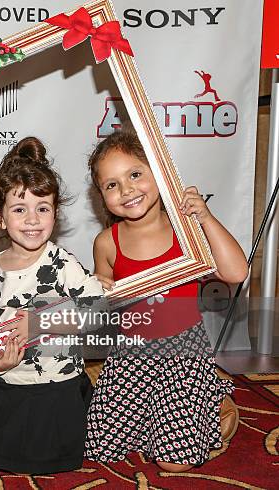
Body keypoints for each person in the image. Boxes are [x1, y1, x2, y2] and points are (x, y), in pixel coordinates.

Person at [84, 130, 248, 472]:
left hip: (183, 355)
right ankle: (168, 414)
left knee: (175, 464)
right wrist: (96, 293)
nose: (126, 189)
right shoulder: (106, 243)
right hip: (129, 355)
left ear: (159, 174)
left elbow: (235, 272)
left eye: (134, 174)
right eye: (111, 185)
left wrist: (205, 218)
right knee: (98, 447)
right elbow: (105, 314)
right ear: (101, 196)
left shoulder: (186, 231)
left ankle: (215, 400)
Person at [0, 137, 105, 474]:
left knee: (55, 464)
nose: (32, 219)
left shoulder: (61, 262)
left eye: (43, 209)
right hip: (5, 381)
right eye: (19, 209)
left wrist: (39, 323)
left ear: (55, 214)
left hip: (55, 384)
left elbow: (99, 309)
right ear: (0, 216)